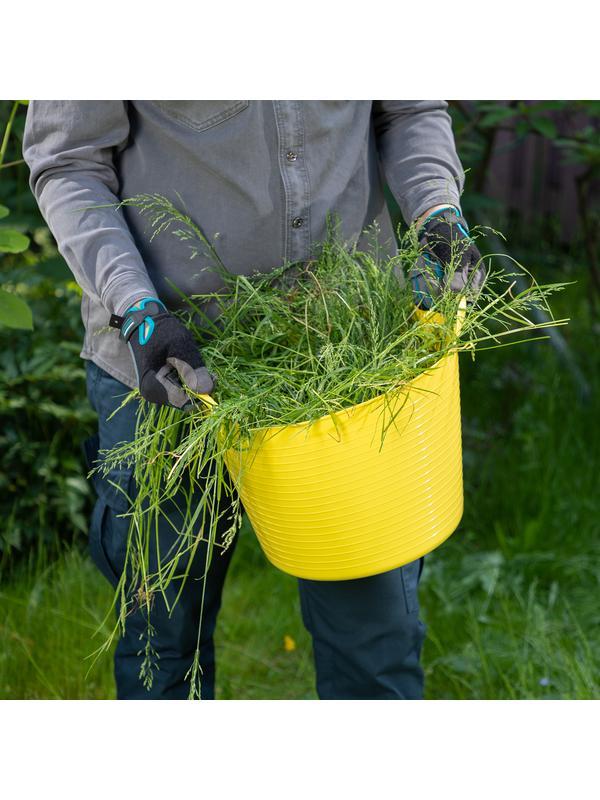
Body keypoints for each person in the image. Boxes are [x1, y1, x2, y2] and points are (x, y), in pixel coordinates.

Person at [23, 101, 483, 700]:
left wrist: (436, 211)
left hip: (345, 357)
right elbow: (68, 162)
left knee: (374, 642)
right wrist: (135, 306)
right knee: (162, 642)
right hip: (167, 361)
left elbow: (408, 109)